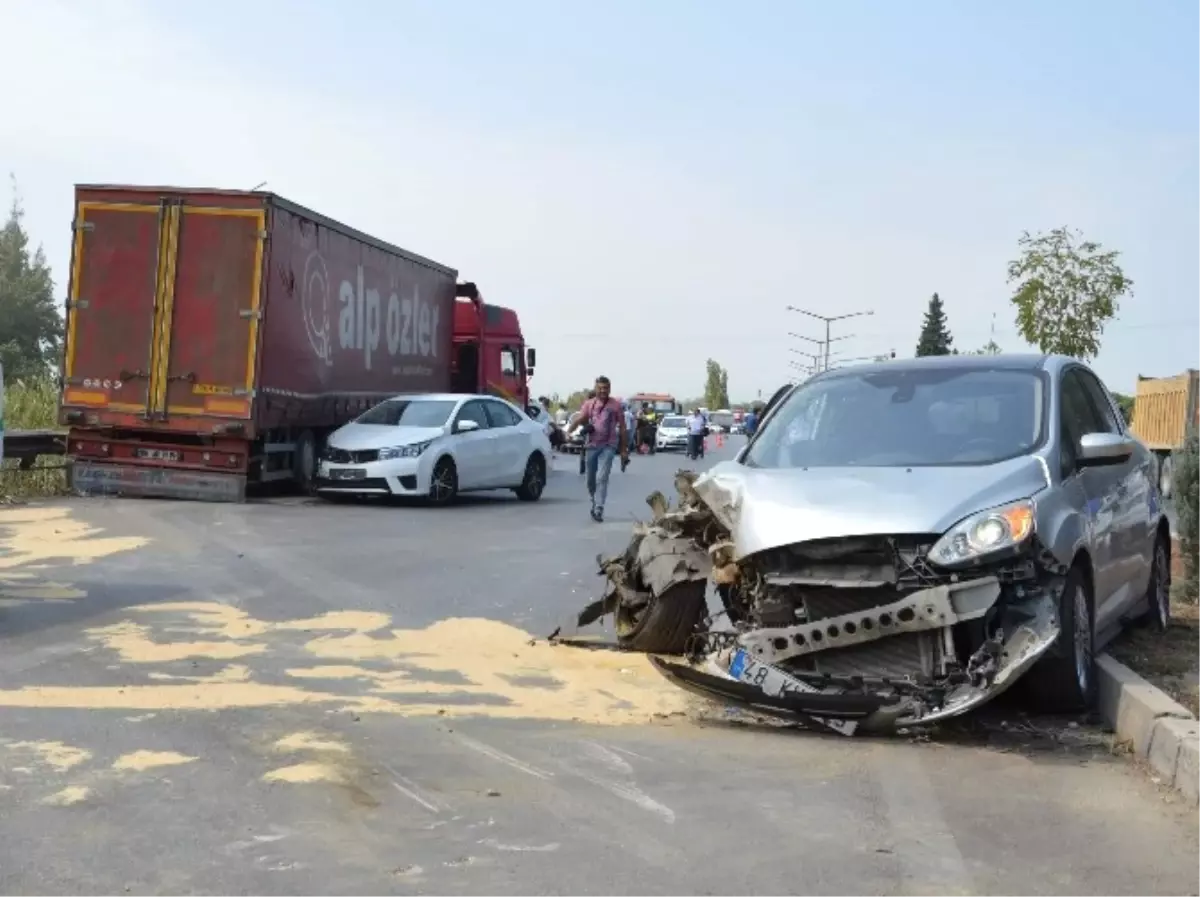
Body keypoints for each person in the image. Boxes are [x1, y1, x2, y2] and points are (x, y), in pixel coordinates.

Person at [568, 376, 628, 522]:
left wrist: (624, 450)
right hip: (592, 445)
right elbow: (581, 419)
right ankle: (594, 500)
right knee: (590, 480)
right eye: (600, 388)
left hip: (609, 445)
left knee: (603, 477)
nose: (603, 391)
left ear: (610, 388)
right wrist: (569, 432)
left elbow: (623, 427)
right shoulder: (589, 404)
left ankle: (599, 507)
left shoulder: (615, 405)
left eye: (606, 388)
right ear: (595, 389)